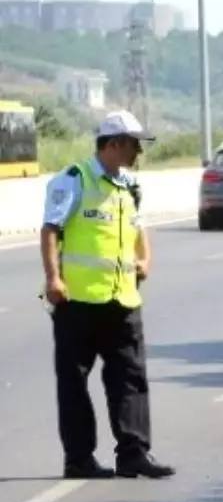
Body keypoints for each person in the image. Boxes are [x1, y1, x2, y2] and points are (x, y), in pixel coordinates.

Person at [40, 110, 175, 480]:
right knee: (74, 384)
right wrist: (54, 278)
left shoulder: (129, 184)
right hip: (78, 302)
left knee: (130, 378)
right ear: (113, 144)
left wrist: (145, 259)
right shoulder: (74, 180)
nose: (137, 153)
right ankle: (79, 459)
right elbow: (50, 229)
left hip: (123, 301)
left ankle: (133, 454)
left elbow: (138, 227)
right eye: (133, 145)